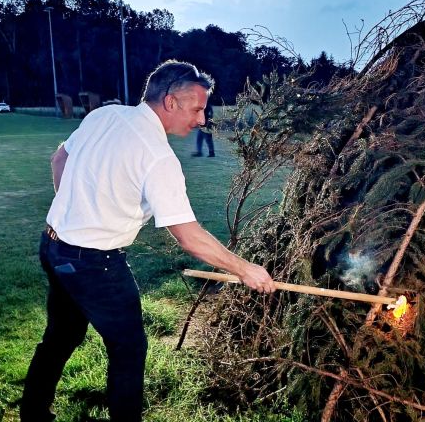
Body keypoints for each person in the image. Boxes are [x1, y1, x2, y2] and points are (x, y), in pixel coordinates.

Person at [20, 60, 276, 422]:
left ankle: (32, 414)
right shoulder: (158, 157)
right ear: (171, 102)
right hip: (95, 265)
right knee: (128, 351)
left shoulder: (104, 116)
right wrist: (244, 268)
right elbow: (188, 236)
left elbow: (58, 158)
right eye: (198, 108)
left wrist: (74, 210)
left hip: (53, 246)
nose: (202, 119)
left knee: (60, 338)